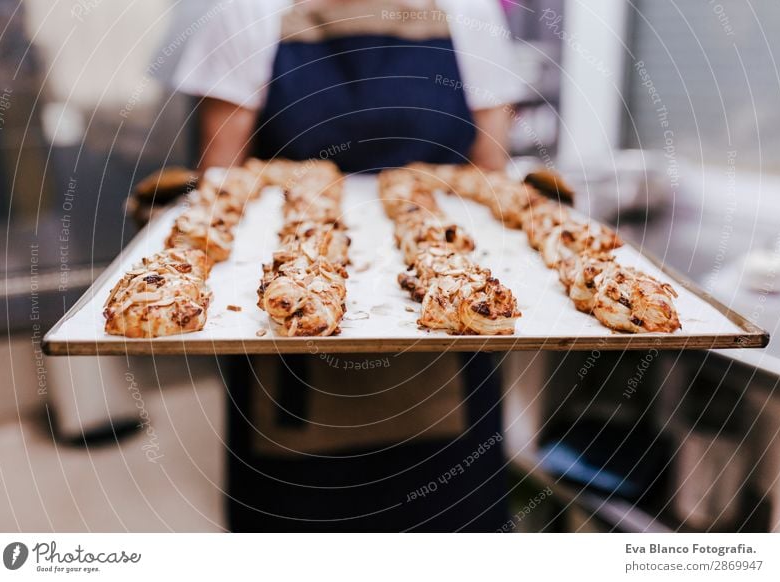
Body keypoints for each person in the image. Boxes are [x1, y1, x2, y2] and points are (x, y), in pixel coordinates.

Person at [174, 0, 523, 531]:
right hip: (289, 334)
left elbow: (488, 172)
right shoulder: (246, 9)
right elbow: (224, 180)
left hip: (454, 324)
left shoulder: (469, 9)